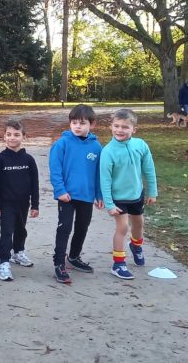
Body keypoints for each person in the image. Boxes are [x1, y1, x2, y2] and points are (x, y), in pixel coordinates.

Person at [100, 109, 158, 280]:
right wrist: (109, 204)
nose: (120, 130)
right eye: (116, 126)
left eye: (125, 127)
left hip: (136, 195)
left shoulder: (141, 145)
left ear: (134, 129)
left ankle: (136, 246)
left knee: (139, 224)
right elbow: (105, 180)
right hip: (118, 198)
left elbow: (149, 170)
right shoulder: (108, 152)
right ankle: (118, 264)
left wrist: (152, 192)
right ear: (111, 127)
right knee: (123, 227)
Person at [50, 104, 104, 284]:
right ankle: (59, 263)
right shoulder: (62, 143)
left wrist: (99, 195)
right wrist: (60, 190)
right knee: (64, 228)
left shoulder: (96, 147)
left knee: (82, 226)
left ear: (92, 124)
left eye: (82, 123)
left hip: (86, 196)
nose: (77, 126)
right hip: (67, 196)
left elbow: (98, 174)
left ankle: (73, 257)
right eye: (74, 123)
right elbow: (55, 168)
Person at [0, 118, 39, 281]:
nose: (12, 138)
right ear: (4, 136)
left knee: (21, 229)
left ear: (24, 136)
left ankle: (18, 252)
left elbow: (35, 183)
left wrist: (35, 205)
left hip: (24, 203)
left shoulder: (29, 160)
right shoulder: (0, 160)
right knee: (7, 231)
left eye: (16, 134)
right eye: (9, 134)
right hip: (6, 204)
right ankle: (4, 262)